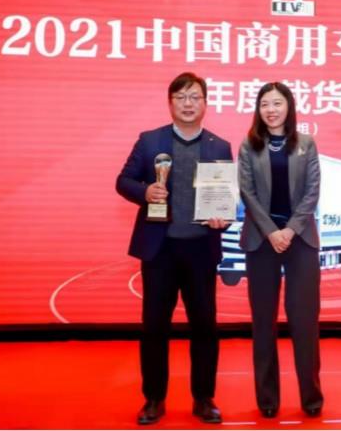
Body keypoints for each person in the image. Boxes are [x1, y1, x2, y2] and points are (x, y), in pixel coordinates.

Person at [116, 72, 232, 425]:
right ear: (170, 103)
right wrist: (144, 192)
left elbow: (225, 198)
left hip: (201, 250)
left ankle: (204, 398)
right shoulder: (150, 140)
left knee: (205, 327)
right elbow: (123, 180)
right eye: (180, 97)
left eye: (194, 97)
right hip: (160, 250)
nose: (187, 103)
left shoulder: (219, 146)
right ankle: (153, 399)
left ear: (205, 103)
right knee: (154, 327)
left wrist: (223, 218)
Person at [237, 82, 324, 418]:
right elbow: (247, 193)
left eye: (277, 103)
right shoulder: (249, 146)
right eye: (264, 104)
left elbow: (313, 192)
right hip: (261, 241)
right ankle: (267, 398)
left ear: (289, 107)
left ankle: (311, 397)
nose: (270, 110)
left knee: (305, 321)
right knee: (263, 322)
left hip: (300, 240)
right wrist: (272, 232)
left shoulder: (306, 143)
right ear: (258, 110)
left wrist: (289, 230)